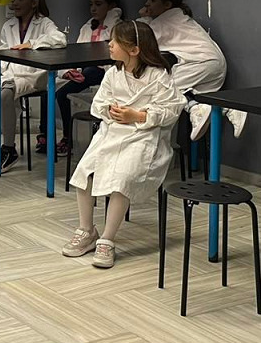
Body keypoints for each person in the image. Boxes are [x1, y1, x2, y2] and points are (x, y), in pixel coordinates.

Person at [63, 20, 184, 268]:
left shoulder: (158, 77)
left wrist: (138, 116)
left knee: (122, 179)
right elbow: (99, 103)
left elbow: (172, 109)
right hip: (112, 133)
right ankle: (87, 230)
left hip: (143, 136)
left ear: (134, 49)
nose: (110, 44)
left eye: (115, 41)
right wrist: (110, 110)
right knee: (84, 173)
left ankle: (107, 239)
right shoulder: (113, 74)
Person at [139, 0, 246, 139]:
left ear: (167, 5)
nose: (147, 3)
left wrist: (143, 17)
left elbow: (139, 39)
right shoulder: (180, 17)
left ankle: (197, 109)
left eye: (152, 0)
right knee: (184, 92)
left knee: (164, 90)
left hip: (200, 64)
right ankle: (226, 109)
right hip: (216, 65)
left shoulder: (163, 21)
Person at [0, 0, 67, 171]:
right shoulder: (8, 25)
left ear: (34, 3)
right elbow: (4, 50)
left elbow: (60, 39)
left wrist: (32, 44)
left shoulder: (44, 23)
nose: (15, 3)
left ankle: (8, 148)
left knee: (5, 93)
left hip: (34, 76)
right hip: (13, 74)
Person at [54, 0, 123, 157]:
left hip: (103, 72)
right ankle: (64, 136)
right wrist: (70, 71)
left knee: (86, 75)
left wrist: (113, 15)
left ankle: (69, 138)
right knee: (57, 91)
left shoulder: (117, 27)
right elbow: (77, 54)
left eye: (98, 4)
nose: (93, 8)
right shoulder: (87, 27)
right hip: (85, 72)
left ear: (112, 6)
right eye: (91, 4)